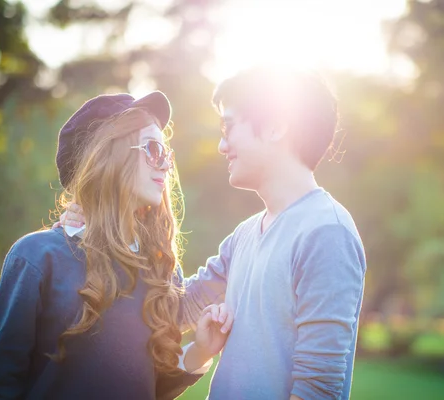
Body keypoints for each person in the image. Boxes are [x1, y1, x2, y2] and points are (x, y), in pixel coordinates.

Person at [63, 66, 367, 399]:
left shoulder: (326, 233)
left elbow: (318, 389)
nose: (222, 145)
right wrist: (100, 229)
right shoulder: (245, 235)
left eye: (229, 127)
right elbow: (173, 311)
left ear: (276, 127)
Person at [0, 91, 232, 400]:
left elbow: (149, 386)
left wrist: (202, 349)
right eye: (153, 149)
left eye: (167, 154)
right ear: (109, 156)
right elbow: (0, 387)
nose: (165, 165)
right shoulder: (36, 258)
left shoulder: (161, 270)